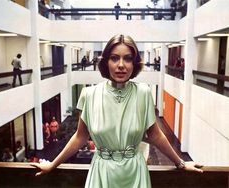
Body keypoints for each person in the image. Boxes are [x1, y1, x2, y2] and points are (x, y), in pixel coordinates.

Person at [31, 34, 203, 188]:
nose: (121, 65)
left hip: (135, 173)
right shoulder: (89, 94)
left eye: (127, 59)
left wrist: (181, 163)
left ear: (134, 63)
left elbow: (156, 135)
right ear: (106, 62)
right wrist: (52, 165)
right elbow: (80, 137)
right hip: (102, 173)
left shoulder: (143, 93)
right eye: (114, 58)